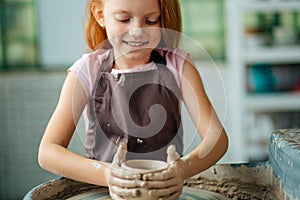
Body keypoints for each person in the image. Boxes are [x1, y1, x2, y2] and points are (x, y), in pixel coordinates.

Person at [38, 0, 228, 199]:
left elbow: (217, 139)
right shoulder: (87, 71)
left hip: (165, 193)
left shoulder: (178, 65)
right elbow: (48, 152)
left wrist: (181, 170)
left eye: (150, 20)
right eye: (124, 19)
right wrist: (109, 174)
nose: (137, 31)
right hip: (105, 192)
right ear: (100, 15)